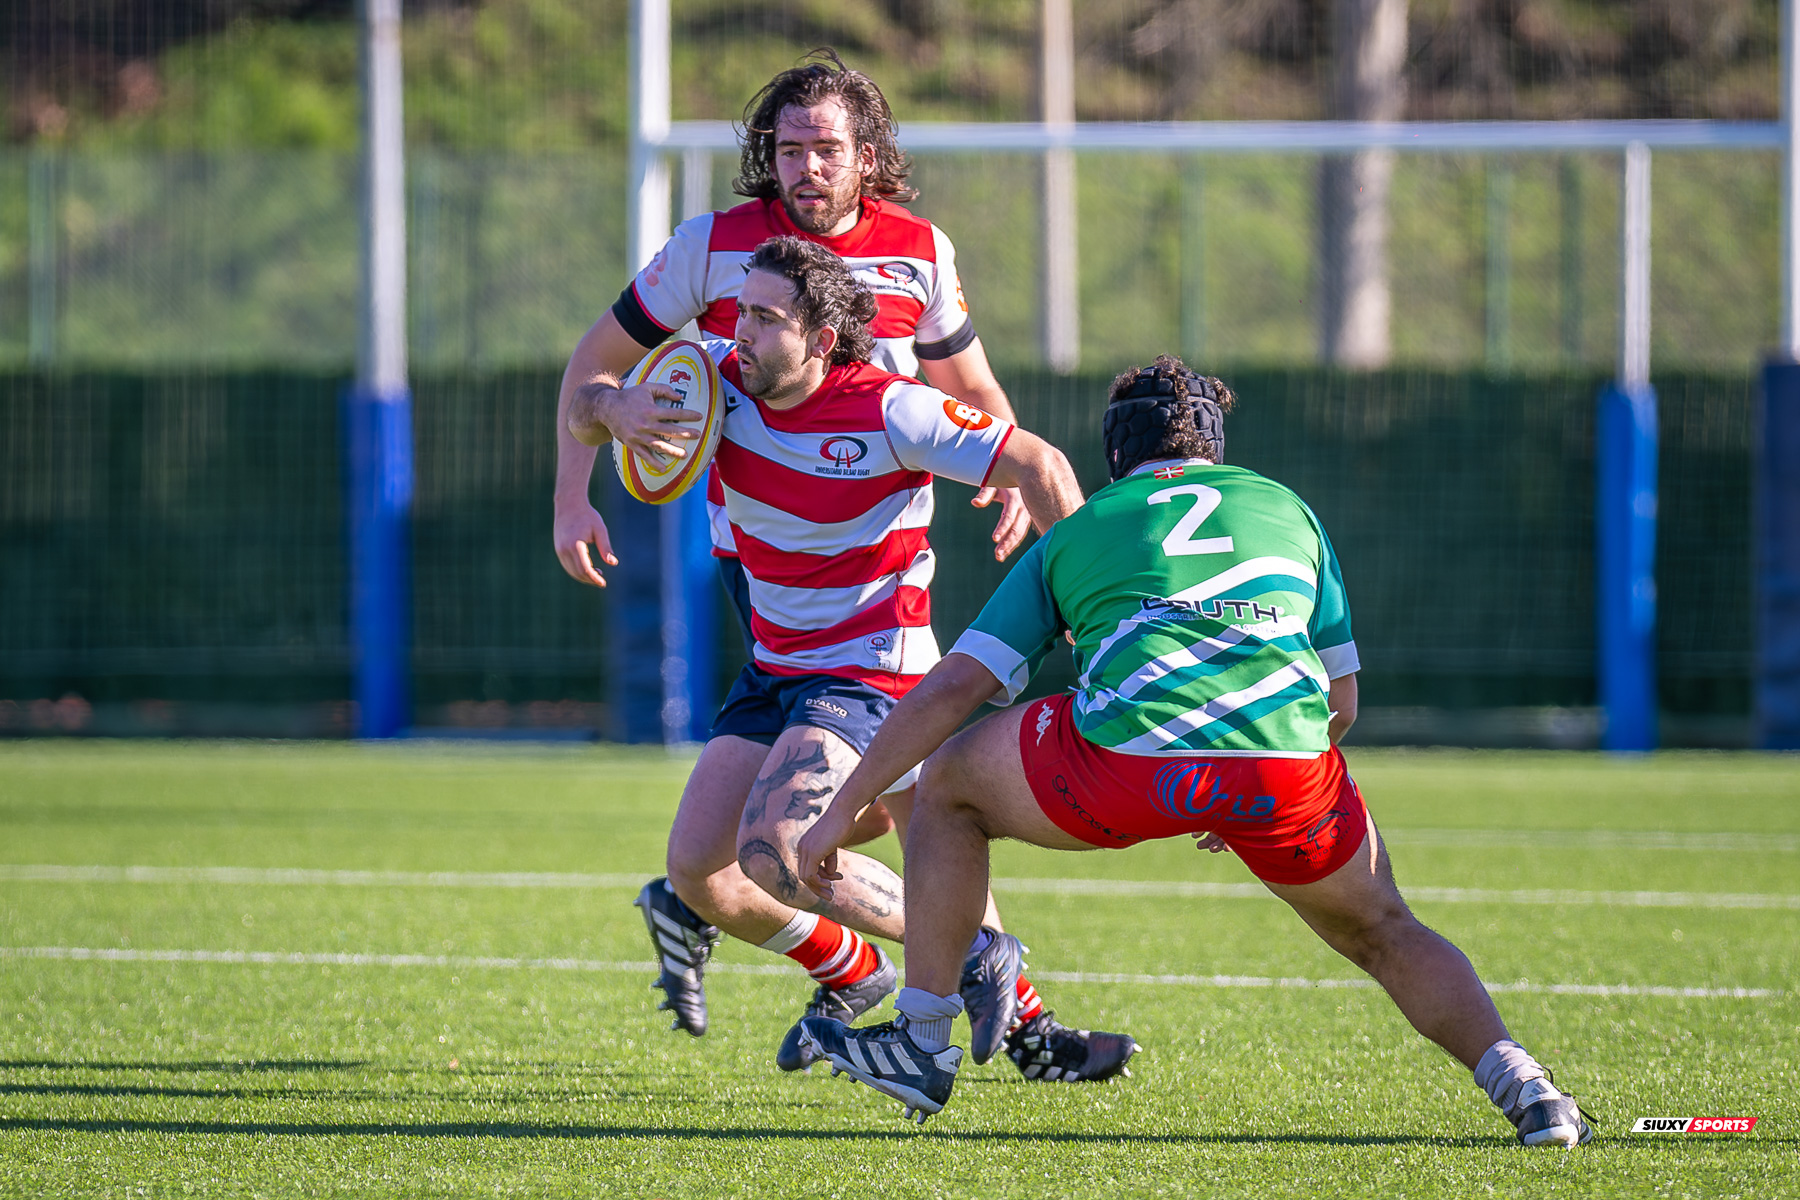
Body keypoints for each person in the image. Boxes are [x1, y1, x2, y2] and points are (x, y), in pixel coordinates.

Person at [793, 356, 1595, 1146]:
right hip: (1284, 769)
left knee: (950, 786)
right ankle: (1528, 1090)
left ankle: (921, 1041)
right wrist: (1237, 774)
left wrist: (842, 810)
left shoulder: (1082, 529)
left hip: (1120, 769)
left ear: (1116, 454)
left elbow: (949, 691)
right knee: (1384, 929)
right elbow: (1341, 702)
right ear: (1215, 449)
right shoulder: (1288, 509)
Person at [565, 235, 1139, 1082]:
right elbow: (588, 392)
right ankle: (871, 970)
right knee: (698, 870)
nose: (739, 330)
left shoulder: (891, 410)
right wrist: (615, 412)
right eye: (740, 311)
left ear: (822, 341)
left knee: (784, 848)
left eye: (764, 317)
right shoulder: (718, 380)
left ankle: (988, 969)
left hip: (875, 667)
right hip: (778, 666)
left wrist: (1102, 627)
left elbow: (1041, 463)